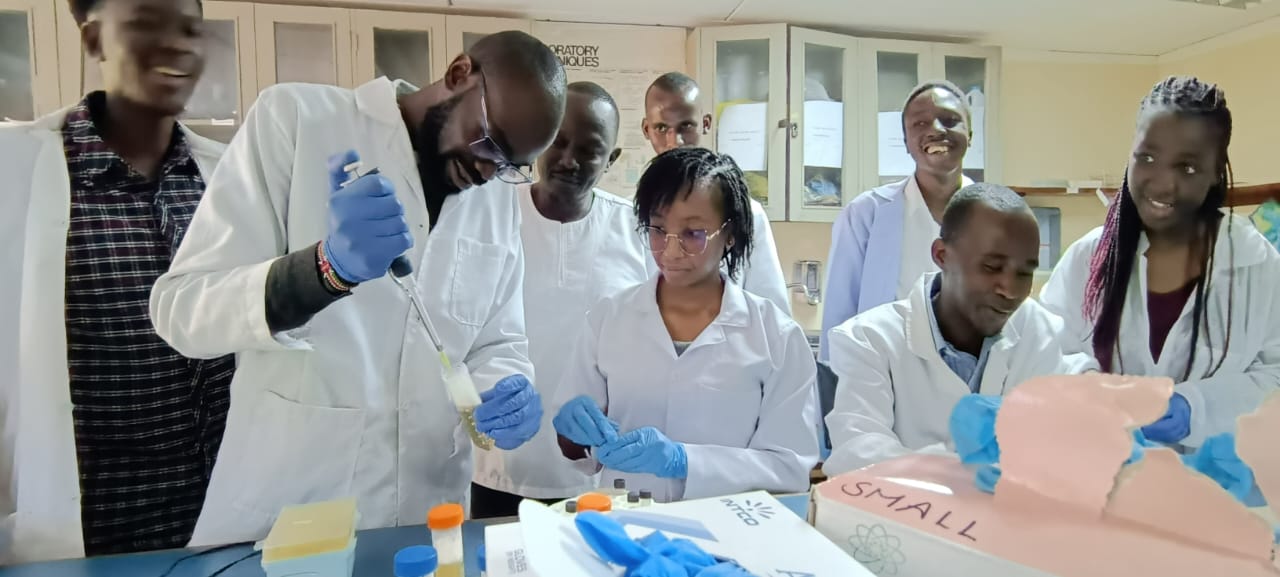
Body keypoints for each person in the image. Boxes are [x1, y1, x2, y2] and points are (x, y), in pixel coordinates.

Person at [148, 31, 562, 546]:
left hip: (426, 518)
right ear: (459, 75)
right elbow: (182, 311)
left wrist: (503, 386)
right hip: (288, 513)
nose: (487, 170)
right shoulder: (298, 120)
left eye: (510, 164)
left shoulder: (493, 197)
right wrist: (324, 269)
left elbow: (498, 340)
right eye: (489, 141)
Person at [0, 0, 236, 562]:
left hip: (225, 528)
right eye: (147, 22)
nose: (177, 45)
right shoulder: (14, 171)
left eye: (189, 29)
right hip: (87, 536)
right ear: (94, 40)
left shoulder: (230, 177)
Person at [551, 147, 819, 503]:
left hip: (730, 529)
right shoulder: (608, 320)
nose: (671, 251)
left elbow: (789, 469)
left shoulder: (776, 338)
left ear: (732, 234)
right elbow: (576, 451)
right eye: (658, 229)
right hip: (625, 526)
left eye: (693, 233)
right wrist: (571, 433)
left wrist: (684, 461)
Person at [1041, 76, 1280, 449]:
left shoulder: (1256, 264)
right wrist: (1102, 394)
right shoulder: (1088, 258)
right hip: (1102, 478)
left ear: (1216, 171)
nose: (1162, 184)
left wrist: (1196, 406)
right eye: (1147, 158)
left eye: (1186, 168)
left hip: (1218, 487)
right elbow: (1046, 354)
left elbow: (1277, 375)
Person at [470, 82, 654, 518]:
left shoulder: (637, 233)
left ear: (611, 159)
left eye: (589, 149)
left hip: (599, 469)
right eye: (558, 140)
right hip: (500, 467)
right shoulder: (489, 217)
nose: (569, 159)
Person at [823, 184, 1095, 476]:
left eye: (1025, 272)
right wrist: (960, 469)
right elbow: (857, 453)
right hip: (900, 517)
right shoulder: (870, 340)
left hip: (1004, 517)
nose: (1011, 289)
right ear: (942, 255)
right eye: (992, 267)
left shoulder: (1039, 330)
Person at [820, 80, 975, 361]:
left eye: (950, 120)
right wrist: (834, 393)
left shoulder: (997, 215)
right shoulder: (866, 215)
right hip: (886, 382)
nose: (936, 130)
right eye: (920, 124)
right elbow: (839, 318)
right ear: (906, 142)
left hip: (974, 379)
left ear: (971, 134)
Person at [641, 72, 790, 315]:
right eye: (661, 128)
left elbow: (773, 313)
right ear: (647, 129)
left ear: (706, 123)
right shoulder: (628, 214)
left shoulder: (747, 213)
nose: (674, 141)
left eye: (686, 126)